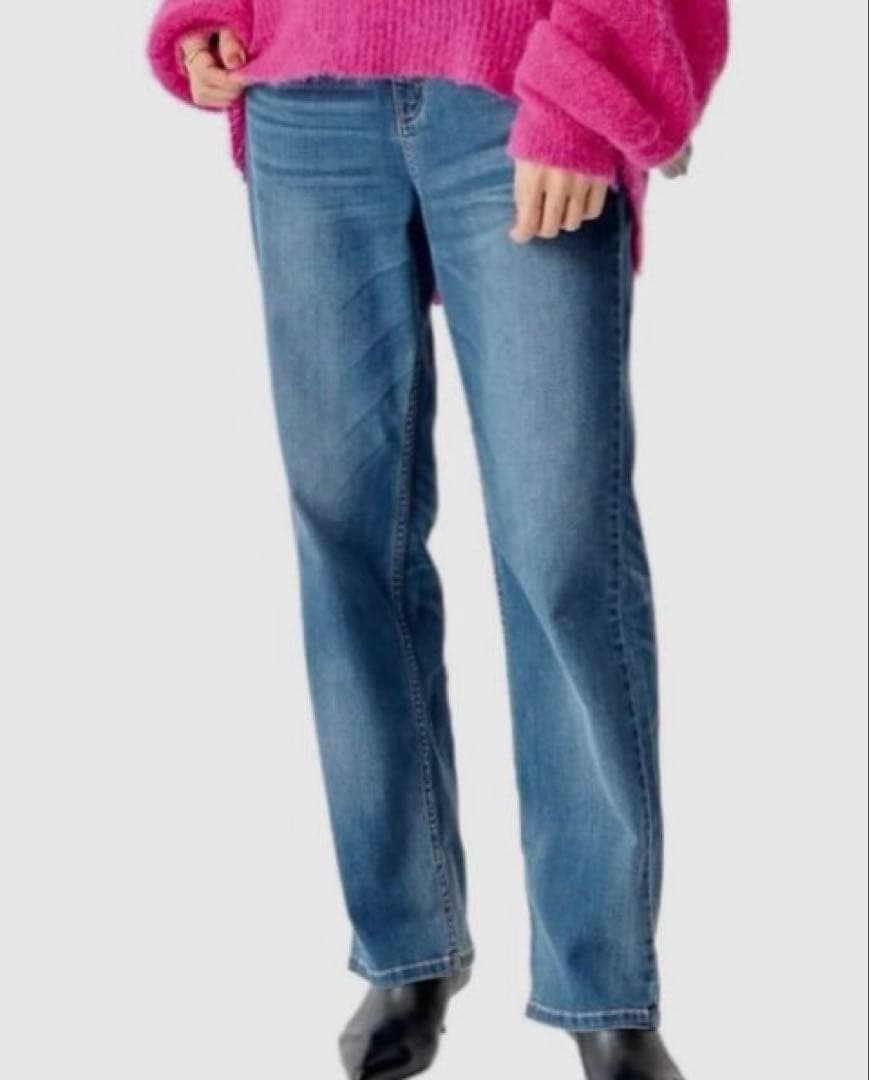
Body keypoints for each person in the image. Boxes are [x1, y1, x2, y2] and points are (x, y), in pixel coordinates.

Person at [146, 3, 728, 1077]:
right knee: (346, 537)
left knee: (563, 549)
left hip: (515, 84)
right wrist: (211, 13)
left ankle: (600, 984)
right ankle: (407, 946)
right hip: (304, 99)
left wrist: (587, 87)